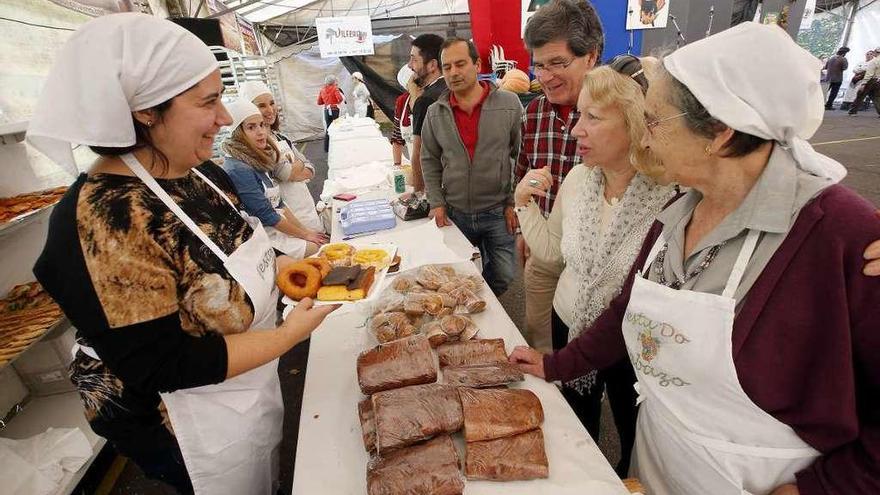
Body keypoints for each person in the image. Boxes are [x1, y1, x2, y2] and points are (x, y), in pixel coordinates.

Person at [509, 22, 880, 494]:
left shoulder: (843, 236)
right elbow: (630, 310)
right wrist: (556, 364)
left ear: (720, 133)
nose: (643, 139)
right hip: (660, 463)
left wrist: (817, 489)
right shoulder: (679, 210)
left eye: (655, 121)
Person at [27, 14, 338, 494]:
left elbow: (235, 252)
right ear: (145, 111)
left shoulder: (200, 172)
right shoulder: (103, 222)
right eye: (209, 101)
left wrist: (281, 266)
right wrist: (287, 336)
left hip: (243, 383)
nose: (226, 118)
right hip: (181, 421)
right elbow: (163, 365)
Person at [514, 56, 673, 477]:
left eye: (593, 117)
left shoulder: (671, 196)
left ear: (635, 123)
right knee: (575, 427)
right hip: (571, 322)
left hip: (634, 346)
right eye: (578, 115)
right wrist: (522, 202)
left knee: (635, 432)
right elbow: (551, 252)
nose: (575, 129)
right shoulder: (579, 180)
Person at [515, 0, 604, 352]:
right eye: (538, 65)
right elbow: (523, 171)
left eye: (557, 63)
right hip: (545, 254)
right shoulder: (534, 112)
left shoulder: (621, 115)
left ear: (592, 56)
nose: (545, 76)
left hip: (596, 266)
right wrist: (526, 229)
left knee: (588, 353)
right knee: (539, 342)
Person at [420, 38, 522, 296]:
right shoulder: (435, 113)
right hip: (456, 213)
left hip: (498, 212)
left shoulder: (509, 104)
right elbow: (429, 159)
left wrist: (513, 203)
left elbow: (521, 156)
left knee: (504, 274)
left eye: (460, 64)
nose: (453, 72)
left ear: (477, 64)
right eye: (447, 67)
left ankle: (478, 298)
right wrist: (437, 202)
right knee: (456, 274)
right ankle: (471, 306)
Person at [222, 99, 328, 258]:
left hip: (279, 229)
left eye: (261, 125)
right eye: (251, 127)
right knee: (320, 250)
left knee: (320, 243)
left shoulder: (256, 158)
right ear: (237, 134)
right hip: (265, 239)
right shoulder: (238, 169)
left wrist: (306, 232)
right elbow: (267, 215)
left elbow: (279, 204)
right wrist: (304, 235)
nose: (261, 132)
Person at [239, 81, 324, 234]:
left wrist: (294, 169)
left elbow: (310, 169)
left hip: (306, 207)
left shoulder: (281, 137)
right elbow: (285, 174)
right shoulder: (257, 145)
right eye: (262, 105)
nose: (270, 110)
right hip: (287, 218)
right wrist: (296, 167)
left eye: (272, 103)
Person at [407, 33, 446, 192]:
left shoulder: (425, 101)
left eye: (414, 59)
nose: (409, 65)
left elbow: (419, 155)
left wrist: (418, 194)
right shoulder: (451, 91)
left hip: (436, 189)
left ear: (432, 65)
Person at [390, 64, 423, 166]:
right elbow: (397, 137)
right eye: (415, 82)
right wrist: (397, 166)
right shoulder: (402, 102)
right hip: (415, 166)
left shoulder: (431, 98)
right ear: (407, 86)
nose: (420, 85)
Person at [849, 46, 880, 117]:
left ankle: (852, 111)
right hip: (878, 81)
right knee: (877, 97)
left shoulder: (873, 62)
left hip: (870, 81)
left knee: (860, 95)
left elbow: (869, 74)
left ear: (876, 52)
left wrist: (863, 83)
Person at [317, 74, 344, 151]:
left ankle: (327, 148)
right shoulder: (335, 88)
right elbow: (340, 99)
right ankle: (337, 146)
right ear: (333, 81)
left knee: (329, 128)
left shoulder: (322, 90)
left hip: (326, 110)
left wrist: (327, 102)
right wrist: (335, 102)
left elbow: (319, 102)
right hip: (335, 110)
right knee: (336, 127)